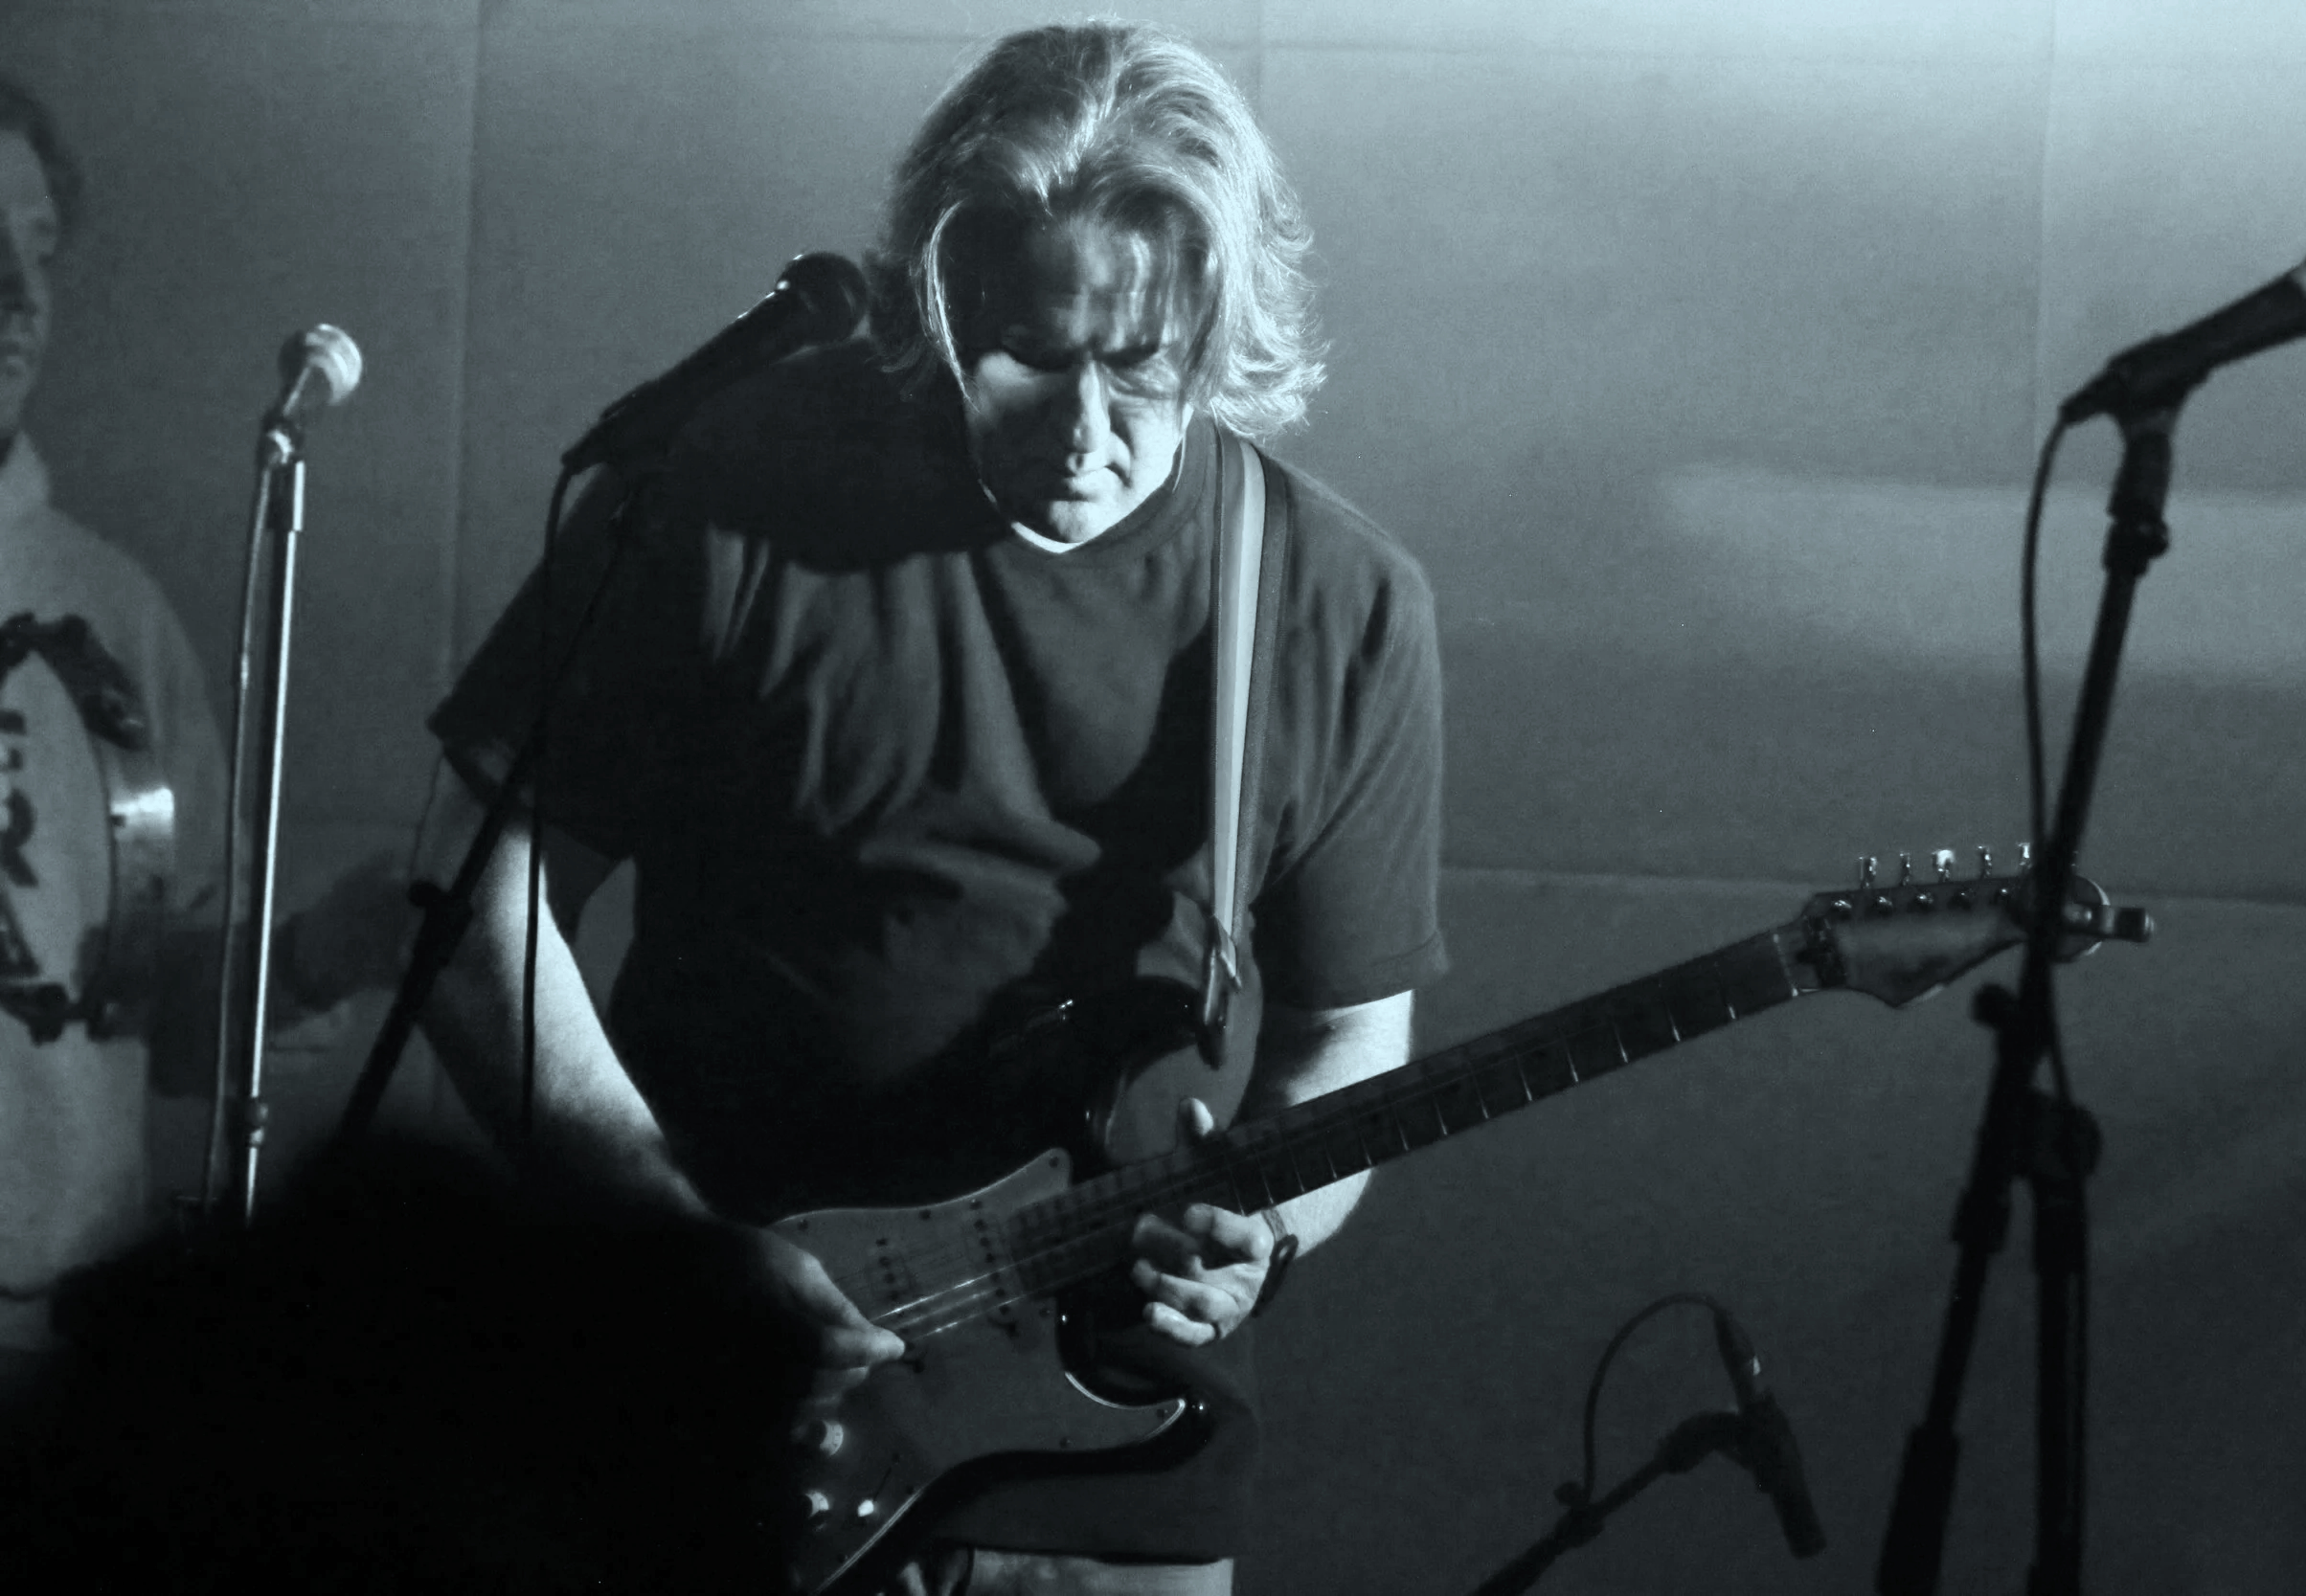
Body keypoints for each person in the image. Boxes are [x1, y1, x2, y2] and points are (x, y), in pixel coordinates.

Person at [421, 22, 1446, 1594]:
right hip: (717, 1421)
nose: (1086, 424)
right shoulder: (736, 477)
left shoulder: (1337, 601)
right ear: (940, 302)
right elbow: (475, 889)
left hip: (1110, 1477)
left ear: (1217, 330)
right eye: (1032, 353)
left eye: (1141, 363)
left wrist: (1269, 1227)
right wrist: (669, 1227)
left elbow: (1344, 1046)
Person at [0, 78, 408, 1436]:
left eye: (40, 250)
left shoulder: (108, 613)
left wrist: (315, 954)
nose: (15, 293)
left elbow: (168, 1012)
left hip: (56, 1335)